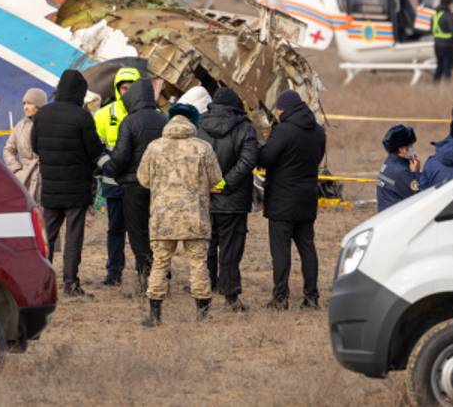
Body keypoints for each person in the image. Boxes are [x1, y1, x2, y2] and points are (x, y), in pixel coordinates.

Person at [136, 103, 220, 326]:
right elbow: (216, 179)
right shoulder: (203, 148)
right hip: (195, 217)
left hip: (163, 217)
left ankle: (155, 315)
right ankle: (202, 316)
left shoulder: (154, 147)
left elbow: (143, 179)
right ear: (193, 121)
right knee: (198, 263)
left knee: (160, 262)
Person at [31, 69, 104, 298]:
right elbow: (94, 151)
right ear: (80, 93)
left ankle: (43, 283)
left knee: (48, 237)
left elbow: (35, 146)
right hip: (76, 187)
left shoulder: (43, 114)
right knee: (73, 236)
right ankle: (70, 284)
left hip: (51, 187)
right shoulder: (82, 116)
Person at [260, 90, 325, 310]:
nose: (276, 113)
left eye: (277, 110)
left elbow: (266, 159)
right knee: (307, 248)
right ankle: (311, 296)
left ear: (284, 109)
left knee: (281, 251)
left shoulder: (283, 131)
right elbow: (317, 159)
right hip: (307, 199)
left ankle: (280, 298)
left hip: (282, 200)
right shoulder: (318, 131)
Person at [100, 78, 166, 293]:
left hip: (133, 186)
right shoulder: (163, 120)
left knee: (138, 233)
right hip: (160, 187)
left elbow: (120, 157)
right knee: (158, 233)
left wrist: (107, 170)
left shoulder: (129, 122)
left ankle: (146, 276)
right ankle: (163, 274)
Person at [197, 87, 259, 311]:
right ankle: (231, 295)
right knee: (231, 249)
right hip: (234, 201)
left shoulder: (199, 125)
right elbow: (248, 160)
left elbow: (193, 158)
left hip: (204, 198)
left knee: (207, 246)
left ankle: (206, 290)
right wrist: (225, 183)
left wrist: (207, 183)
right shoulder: (245, 128)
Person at [93, 67, 141, 286]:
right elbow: (96, 147)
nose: (127, 92)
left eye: (131, 88)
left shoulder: (150, 115)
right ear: (117, 88)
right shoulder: (103, 114)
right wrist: (107, 167)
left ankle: (145, 270)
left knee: (141, 230)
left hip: (140, 184)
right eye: (123, 88)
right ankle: (114, 272)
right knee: (115, 230)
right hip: (113, 183)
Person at [3, 88, 47, 201]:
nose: (25, 107)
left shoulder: (51, 125)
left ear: (39, 105)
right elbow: (8, 150)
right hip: (25, 180)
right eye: (24, 103)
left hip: (46, 182)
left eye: (29, 103)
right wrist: (17, 170)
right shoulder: (20, 126)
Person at [376, 124, 421, 212]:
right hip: (398, 220)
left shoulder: (389, 162)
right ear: (401, 149)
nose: (412, 148)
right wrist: (416, 173)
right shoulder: (401, 171)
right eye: (410, 145)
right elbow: (420, 196)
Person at [432, 0, 453, 83]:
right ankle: (448, 85)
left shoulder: (435, 15)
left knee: (440, 65)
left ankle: (435, 83)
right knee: (448, 67)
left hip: (437, 44)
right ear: (448, 4)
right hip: (448, 45)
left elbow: (431, 29)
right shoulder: (448, 15)